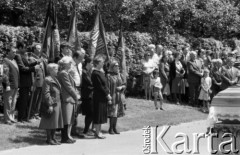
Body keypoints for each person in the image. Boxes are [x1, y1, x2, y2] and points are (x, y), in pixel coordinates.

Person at [15, 41, 40, 122]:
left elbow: (28, 65)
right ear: (20, 48)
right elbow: (22, 68)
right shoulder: (18, 56)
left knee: (26, 101)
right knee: (23, 101)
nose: (26, 49)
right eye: (24, 47)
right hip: (23, 82)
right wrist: (34, 69)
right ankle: (21, 118)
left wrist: (36, 62)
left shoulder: (23, 55)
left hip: (27, 82)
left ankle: (25, 117)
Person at [39, 63, 63, 145]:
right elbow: (46, 93)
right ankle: (49, 139)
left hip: (57, 103)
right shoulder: (47, 79)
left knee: (55, 122)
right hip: (52, 103)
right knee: (50, 121)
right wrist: (49, 105)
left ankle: (53, 138)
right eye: (56, 69)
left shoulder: (55, 78)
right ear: (51, 70)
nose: (57, 70)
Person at [58, 56, 80, 143]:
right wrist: (76, 96)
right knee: (66, 119)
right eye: (70, 63)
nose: (71, 64)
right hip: (66, 98)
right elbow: (69, 87)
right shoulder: (63, 73)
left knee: (70, 119)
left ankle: (68, 136)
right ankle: (65, 137)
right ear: (65, 64)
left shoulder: (66, 73)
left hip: (69, 98)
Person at [91, 55, 111, 139]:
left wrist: (107, 93)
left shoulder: (100, 72)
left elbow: (105, 84)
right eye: (102, 62)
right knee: (98, 114)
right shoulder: (95, 73)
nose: (103, 63)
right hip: (99, 96)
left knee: (101, 114)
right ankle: (97, 132)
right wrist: (107, 94)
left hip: (102, 96)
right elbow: (100, 86)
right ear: (98, 63)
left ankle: (99, 131)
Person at [29, 44, 47, 119]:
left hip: (42, 82)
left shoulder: (41, 59)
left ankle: (36, 113)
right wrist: (32, 83)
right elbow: (32, 72)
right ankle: (32, 114)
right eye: (38, 48)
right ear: (34, 50)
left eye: (40, 48)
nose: (40, 50)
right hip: (36, 82)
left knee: (39, 99)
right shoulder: (31, 59)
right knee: (34, 99)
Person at [69, 49, 85, 136]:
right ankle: (70, 131)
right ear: (75, 57)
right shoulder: (70, 64)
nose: (82, 60)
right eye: (80, 59)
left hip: (79, 89)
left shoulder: (80, 65)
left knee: (76, 111)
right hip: (72, 89)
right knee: (72, 111)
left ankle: (74, 129)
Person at [107, 60, 126, 135]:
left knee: (116, 113)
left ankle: (114, 128)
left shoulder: (119, 75)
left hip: (119, 96)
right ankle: (110, 128)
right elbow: (107, 87)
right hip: (113, 95)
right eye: (116, 66)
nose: (117, 67)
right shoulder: (109, 76)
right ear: (112, 67)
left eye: (118, 66)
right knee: (112, 113)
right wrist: (109, 97)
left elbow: (124, 84)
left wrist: (121, 87)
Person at [2, 47, 16, 124]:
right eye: (13, 52)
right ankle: (7, 119)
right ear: (8, 53)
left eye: (15, 52)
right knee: (8, 102)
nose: (15, 53)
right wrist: (7, 84)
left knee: (13, 102)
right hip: (9, 85)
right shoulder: (5, 60)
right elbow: (5, 74)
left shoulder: (14, 60)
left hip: (15, 85)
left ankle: (11, 117)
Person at [81, 57, 94, 136]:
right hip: (87, 95)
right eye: (92, 63)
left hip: (91, 94)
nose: (93, 65)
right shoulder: (84, 72)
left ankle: (87, 129)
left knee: (90, 113)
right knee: (90, 113)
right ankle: (86, 130)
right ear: (88, 63)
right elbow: (90, 82)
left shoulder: (89, 71)